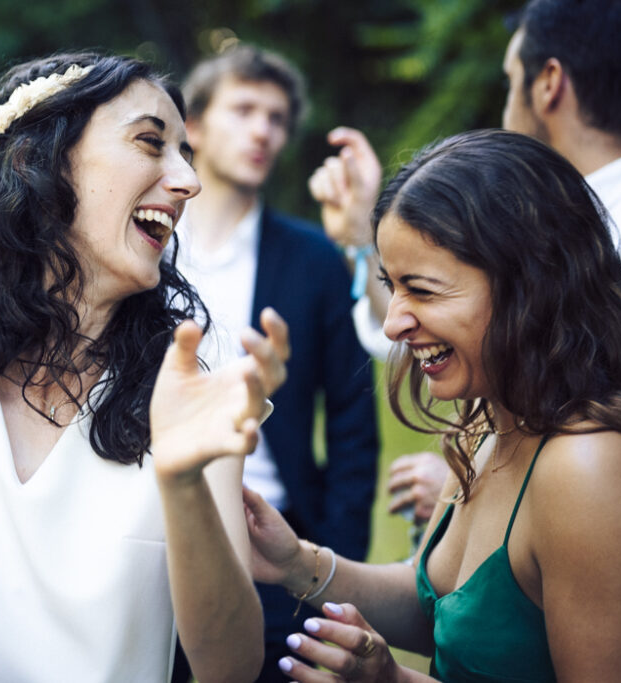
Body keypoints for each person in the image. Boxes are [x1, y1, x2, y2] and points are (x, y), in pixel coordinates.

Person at [0, 0, 291, 680]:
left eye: (187, 155)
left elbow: (228, 663)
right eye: (149, 141)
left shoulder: (194, 369)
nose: (189, 182)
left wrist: (185, 478)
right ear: (42, 156)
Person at [245, 129, 621, 681]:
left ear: (529, 284)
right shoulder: (487, 420)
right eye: (390, 285)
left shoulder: (592, 470)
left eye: (421, 290)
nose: (395, 322)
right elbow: (443, 608)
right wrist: (298, 563)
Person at [321, 0, 621, 527]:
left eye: (510, 81)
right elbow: (443, 337)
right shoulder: (555, 221)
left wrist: (491, 488)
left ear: (548, 83)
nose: (507, 107)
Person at [174, 45, 378, 682]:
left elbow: (353, 424)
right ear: (195, 127)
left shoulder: (316, 258)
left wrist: (331, 567)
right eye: (243, 110)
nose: (263, 129)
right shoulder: (149, 244)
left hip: (273, 542)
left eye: (277, 117)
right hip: (153, 528)